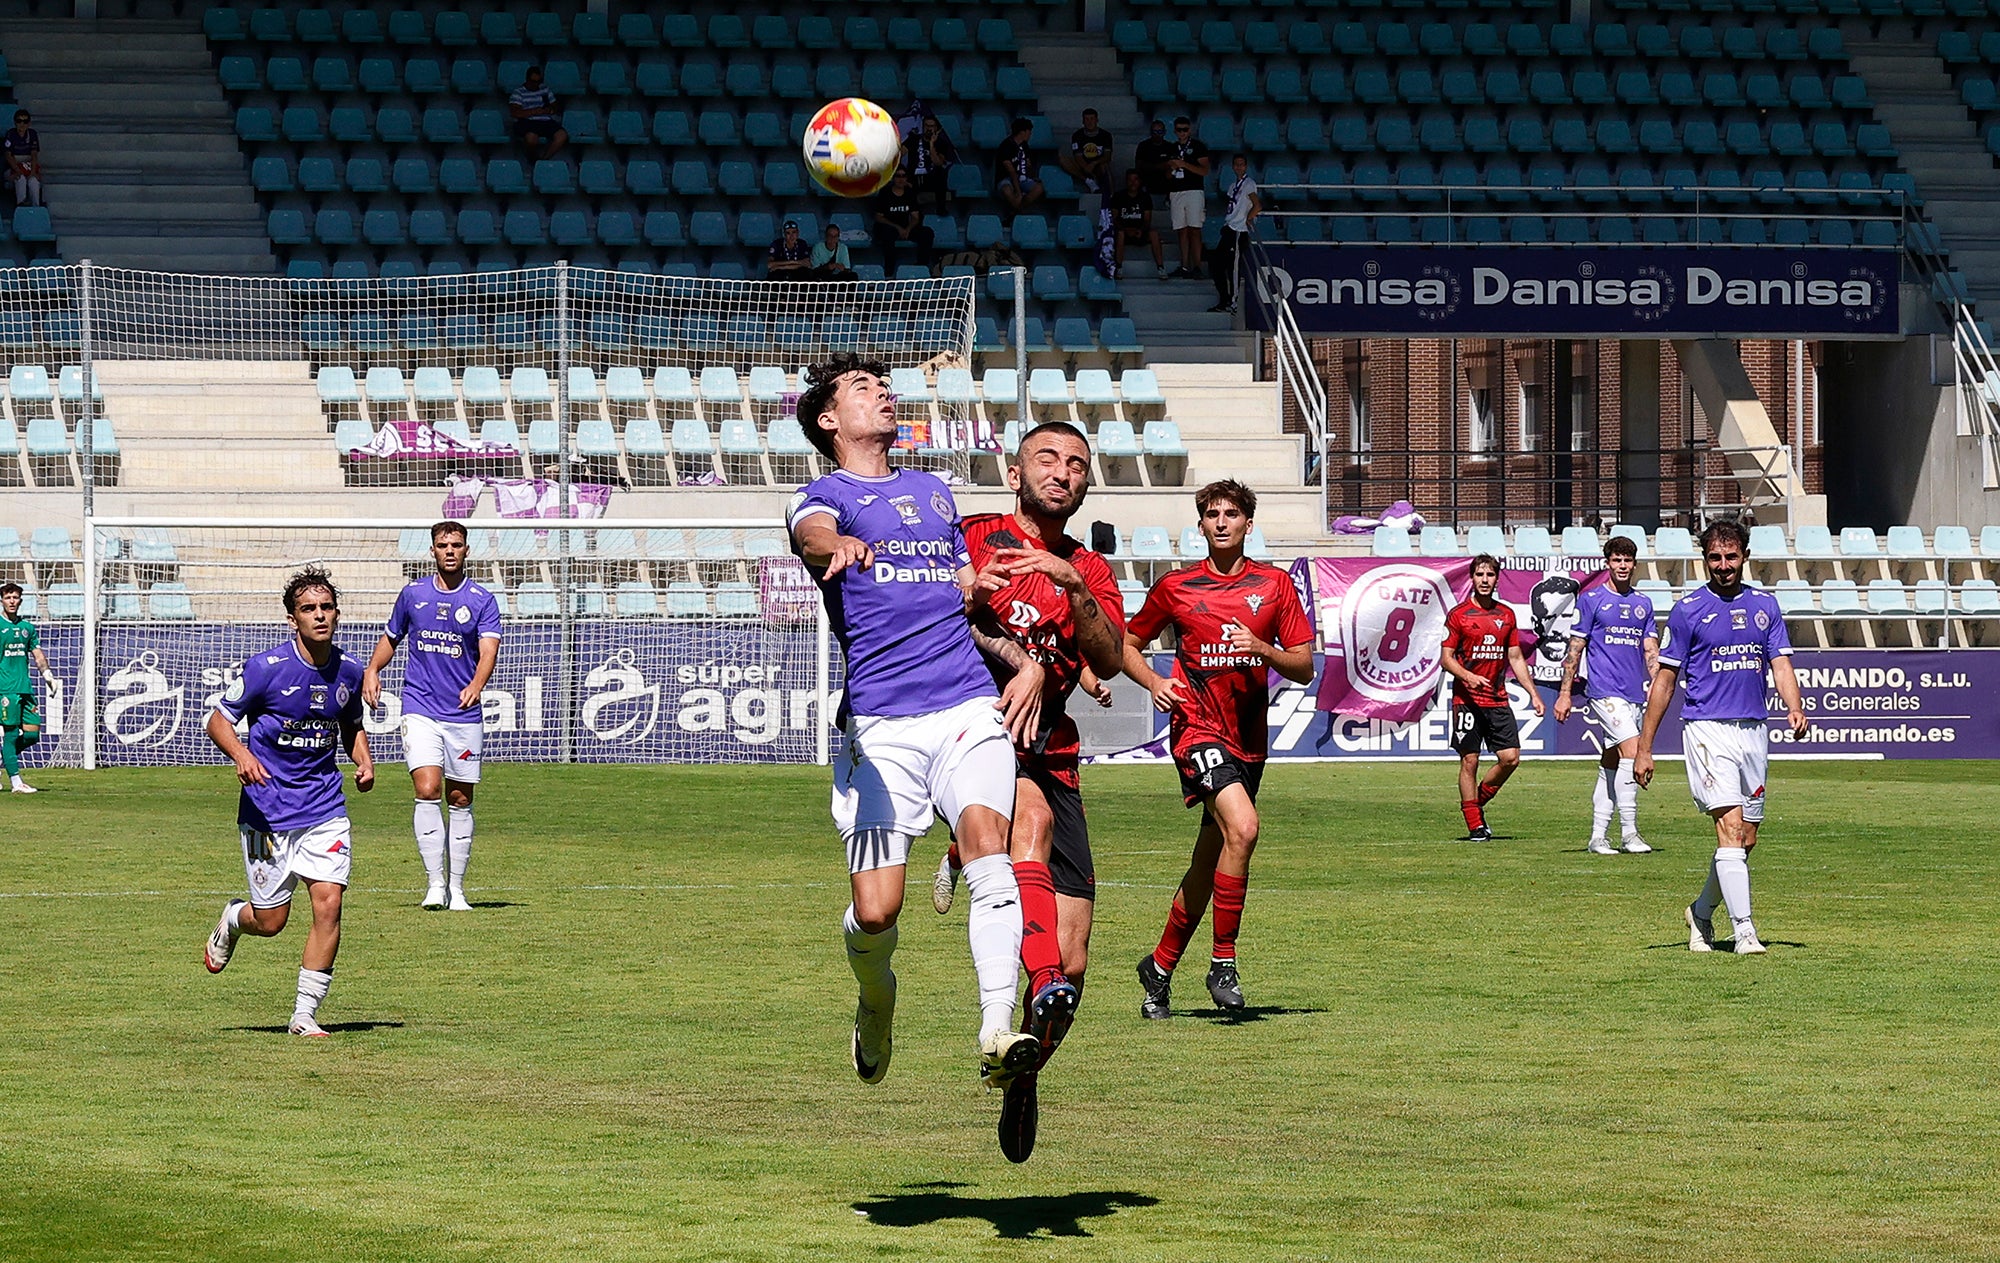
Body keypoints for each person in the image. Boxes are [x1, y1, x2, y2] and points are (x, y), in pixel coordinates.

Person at [785, 352, 1047, 1116]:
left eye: (883, 385)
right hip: (882, 727)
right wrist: (834, 547)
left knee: (989, 848)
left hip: (966, 705)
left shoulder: (934, 494)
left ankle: (999, 1030)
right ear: (830, 419)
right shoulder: (821, 496)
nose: (882, 393)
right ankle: (876, 1000)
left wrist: (1010, 645)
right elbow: (812, 534)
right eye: (863, 388)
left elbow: (957, 601)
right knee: (877, 912)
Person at [937, 421, 1126, 1162]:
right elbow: (931, 608)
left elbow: (1107, 657)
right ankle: (1030, 976)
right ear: (1015, 472)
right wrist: (1013, 649)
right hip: (975, 740)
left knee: (1075, 975)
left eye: (1077, 464)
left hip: (1055, 751)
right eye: (1047, 458)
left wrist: (1073, 584)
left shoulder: (1090, 570)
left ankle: (1023, 1073)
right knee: (1033, 820)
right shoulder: (975, 535)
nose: (1063, 472)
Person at [1124, 481, 1314, 1020]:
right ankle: (1223, 962)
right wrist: (1153, 683)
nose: (1222, 521)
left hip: (1249, 742)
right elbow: (1126, 644)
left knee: (1209, 863)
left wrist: (1262, 648)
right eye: (1212, 514)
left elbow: (1304, 666)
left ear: (1249, 524)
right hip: (1196, 731)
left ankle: (1158, 968)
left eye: (1232, 513)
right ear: (1201, 526)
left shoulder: (1275, 586)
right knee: (1246, 828)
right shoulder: (1176, 587)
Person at [201, 566, 375, 1038]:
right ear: (292, 619)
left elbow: (350, 724)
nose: (319, 616)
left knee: (328, 905)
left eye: (326, 608)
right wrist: (240, 754)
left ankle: (304, 1014)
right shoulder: (266, 669)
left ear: (337, 614)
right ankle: (235, 918)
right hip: (267, 811)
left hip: (324, 809)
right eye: (308, 609)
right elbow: (217, 720)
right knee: (271, 921)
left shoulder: (350, 671)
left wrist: (364, 760)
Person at [1636, 520, 1807, 956]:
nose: (1724, 565)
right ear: (1704, 560)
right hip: (1707, 729)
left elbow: (1781, 664)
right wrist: (1645, 746)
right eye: (1715, 558)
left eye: (1731, 557)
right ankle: (1745, 931)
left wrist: (1794, 705)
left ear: (1744, 557)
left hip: (1753, 730)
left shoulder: (1765, 606)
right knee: (1729, 829)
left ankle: (1700, 911)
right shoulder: (1688, 610)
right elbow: (1665, 681)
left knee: (1745, 839)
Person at [362, 521, 501, 911]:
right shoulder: (412, 595)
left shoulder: (482, 599)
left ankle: (458, 888)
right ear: (433, 551)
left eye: (456, 544)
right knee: (427, 789)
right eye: (443, 545)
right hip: (419, 706)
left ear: (467, 550)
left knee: (460, 797)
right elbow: (391, 638)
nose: (450, 551)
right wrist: (373, 670)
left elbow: (488, 650)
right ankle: (435, 884)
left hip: (462, 712)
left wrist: (476, 684)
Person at [1554, 537, 1659, 855]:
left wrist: (1656, 680)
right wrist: (1565, 693)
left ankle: (1598, 836)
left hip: (1633, 694)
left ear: (1634, 564)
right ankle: (1630, 834)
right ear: (1607, 563)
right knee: (1632, 751)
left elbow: (1650, 649)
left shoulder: (1644, 604)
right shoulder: (1591, 600)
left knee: (1611, 761)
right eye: (1617, 560)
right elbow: (1575, 649)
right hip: (1603, 691)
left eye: (1628, 560)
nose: (1622, 566)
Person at [1441, 554, 1545, 842]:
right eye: (1479, 575)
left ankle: (1476, 805)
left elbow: (1515, 656)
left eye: (1489, 575)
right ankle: (1475, 825)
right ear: (1472, 578)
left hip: (1497, 699)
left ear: (1497, 578)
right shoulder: (1459, 615)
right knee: (1469, 761)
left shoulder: (1506, 615)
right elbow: (1446, 659)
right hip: (1467, 700)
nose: (1484, 580)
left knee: (1510, 759)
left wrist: (1533, 693)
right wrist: (1468, 676)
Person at [0, 581, 51, 793]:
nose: (12, 601)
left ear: (20, 600)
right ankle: (16, 783)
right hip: (6, 689)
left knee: (32, 735)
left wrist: (47, 674)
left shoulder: (27, 628)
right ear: (2, 600)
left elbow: (37, 654)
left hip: (26, 689)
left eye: (15, 597)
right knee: (11, 734)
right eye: (8, 597)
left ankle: (6, 755)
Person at [1209, 154, 1260, 314]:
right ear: (1232, 166)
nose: (1239, 167)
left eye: (1242, 164)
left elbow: (1257, 205)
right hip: (1230, 227)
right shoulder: (1232, 186)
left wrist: (1248, 219)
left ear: (1246, 166)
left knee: (1234, 267)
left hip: (1239, 231)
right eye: (1236, 164)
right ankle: (1224, 298)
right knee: (1217, 265)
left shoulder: (1249, 184)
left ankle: (1233, 302)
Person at [1163, 116, 1211, 278]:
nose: (1182, 133)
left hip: (1194, 191)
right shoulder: (1172, 148)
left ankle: (1197, 266)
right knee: (1181, 230)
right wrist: (1172, 168)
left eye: (1185, 129)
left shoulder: (1198, 147)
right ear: (1174, 131)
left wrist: (1185, 165)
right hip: (1176, 192)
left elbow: (1204, 170)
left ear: (1189, 130)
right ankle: (1184, 266)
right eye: (1178, 130)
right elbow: (1167, 176)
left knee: (1194, 229)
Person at [872, 171, 936, 271]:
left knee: (927, 232)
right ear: (893, 178)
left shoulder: (910, 193)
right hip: (888, 227)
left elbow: (915, 217)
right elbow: (878, 217)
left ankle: (921, 267)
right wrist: (898, 228)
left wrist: (908, 229)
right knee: (887, 232)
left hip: (905, 227)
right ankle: (889, 271)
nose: (901, 179)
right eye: (898, 176)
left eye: (903, 176)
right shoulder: (885, 192)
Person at [1109, 169, 1164, 278]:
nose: (1133, 183)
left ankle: (1161, 267)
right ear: (1126, 181)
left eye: (1135, 179)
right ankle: (1118, 267)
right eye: (1130, 180)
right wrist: (1126, 230)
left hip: (1140, 231)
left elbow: (1147, 220)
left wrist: (1141, 230)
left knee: (1154, 234)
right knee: (1120, 234)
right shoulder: (1118, 196)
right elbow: (1113, 219)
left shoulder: (1145, 197)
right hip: (1123, 232)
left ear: (1140, 181)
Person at [901, 114, 959, 213]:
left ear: (936, 128)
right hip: (914, 177)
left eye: (931, 126)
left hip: (931, 177)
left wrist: (932, 145)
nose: (929, 129)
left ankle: (941, 209)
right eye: (927, 126)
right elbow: (899, 154)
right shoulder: (914, 139)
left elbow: (938, 162)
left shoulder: (941, 143)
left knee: (941, 173)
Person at [507, 65, 567, 161]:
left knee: (562, 135)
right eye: (533, 81)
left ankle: (544, 159)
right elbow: (515, 112)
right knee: (531, 138)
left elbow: (555, 106)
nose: (536, 84)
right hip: (528, 122)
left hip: (545, 121)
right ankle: (532, 158)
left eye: (538, 82)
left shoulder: (544, 89)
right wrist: (534, 111)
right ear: (527, 79)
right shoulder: (518, 92)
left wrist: (550, 110)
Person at [995, 117, 1045, 220]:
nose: (1030, 134)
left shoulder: (1024, 146)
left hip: (1021, 178)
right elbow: (1011, 172)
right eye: (1029, 131)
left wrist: (1031, 175)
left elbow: (1027, 165)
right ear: (1022, 132)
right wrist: (1018, 192)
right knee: (1007, 190)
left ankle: (1015, 213)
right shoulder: (1006, 146)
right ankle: (1019, 216)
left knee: (1038, 188)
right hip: (1006, 178)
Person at [1061, 108, 1114, 194]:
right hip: (1082, 166)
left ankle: (1110, 195)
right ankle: (1089, 181)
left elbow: (1107, 156)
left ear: (1097, 120)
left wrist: (1093, 164)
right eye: (1086, 119)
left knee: (1105, 166)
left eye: (1092, 119)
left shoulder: (1106, 135)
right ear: (1083, 121)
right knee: (1062, 159)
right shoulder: (1077, 135)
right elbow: (1077, 156)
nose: (1089, 122)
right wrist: (1086, 167)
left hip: (1098, 166)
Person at [5, 109, 43, 209]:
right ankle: (20, 206)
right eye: (19, 121)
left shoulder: (32, 134)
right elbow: (8, 156)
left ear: (29, 123)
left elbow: (34, 155)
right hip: (13, 169)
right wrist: (18, 171)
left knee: (33, 181)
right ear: (15, 122)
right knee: (20, 179)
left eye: (25, 121)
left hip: (28, 167)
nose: (22, 124)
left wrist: (33, 172)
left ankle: (36, 207)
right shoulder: (10, 134)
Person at [1134, 118, 1175, 200]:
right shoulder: (1143, 146)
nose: (1157, 134)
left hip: (1165, 180)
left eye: (1160, 132)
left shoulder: (1170, 147)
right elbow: (1138, 165)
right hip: (1148, 179)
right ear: (1151, 132)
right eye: (1155, 132)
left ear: (1164, 132)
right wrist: (1157, 166)